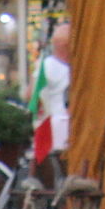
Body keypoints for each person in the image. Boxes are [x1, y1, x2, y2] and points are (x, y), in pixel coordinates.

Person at [32, 23, 71, 170]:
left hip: (54, 126)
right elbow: (32, 96)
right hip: (58, 127)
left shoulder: (45, 65)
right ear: (66, 45)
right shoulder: (48, 66)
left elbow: (30, 95)